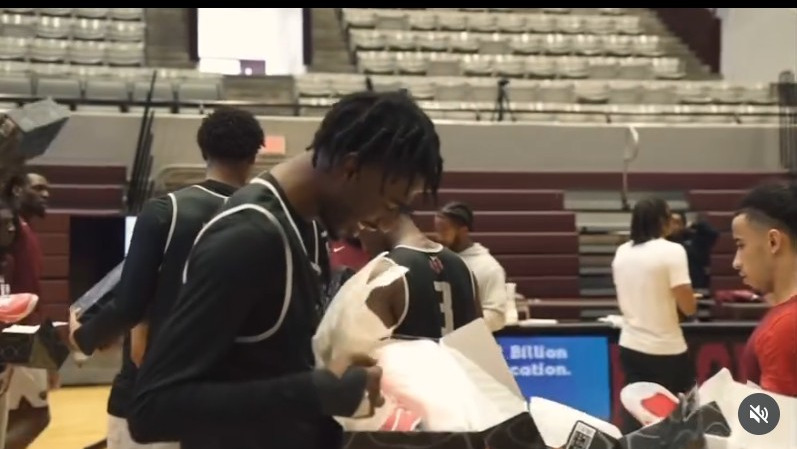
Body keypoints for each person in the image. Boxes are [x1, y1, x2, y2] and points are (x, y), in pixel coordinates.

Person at [126, 90, 444, 449]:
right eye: (390, 204)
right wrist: (315, 392)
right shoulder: (249, 236)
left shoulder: (304, 226)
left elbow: (266, 371)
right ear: (351, 168)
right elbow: (152, 409)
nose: (385, 222)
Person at [67, 107, 264, 449]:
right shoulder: (271, 219)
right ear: (255, 154)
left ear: (203, 150)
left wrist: (83, 336)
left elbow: (129, 305)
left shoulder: (166, 211)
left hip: (158, 391)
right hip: (237, 397)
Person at [611, 197, 697, 433]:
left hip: (631, 346)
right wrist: (687, 303)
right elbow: (688, 306)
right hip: (667, 349)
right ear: (661, 220)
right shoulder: (672, 251)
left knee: (637, 415)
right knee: (681, 418)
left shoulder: (621, 252)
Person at [2, 171, 56, 449]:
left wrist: (51, 356)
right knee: (36, 417)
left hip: (29, 334)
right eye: (38, 188)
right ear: (16, 191)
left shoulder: (27, 231)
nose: (46, 194)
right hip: (17, 336)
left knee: (20, 415)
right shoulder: (13, 229)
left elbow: (35, 294)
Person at [733, 180, 797, 396]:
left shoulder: (785, 327)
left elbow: (771, 424)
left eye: (741, 245)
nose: (736, 262)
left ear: (773, 242)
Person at [434, 201, 508, 331]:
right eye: (437, 230)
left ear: (463, 231)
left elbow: (497, 318)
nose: (438, 237)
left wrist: (458, 324)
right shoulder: (434, 259)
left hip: (467, 345)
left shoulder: (488, 267)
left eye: (444, 231)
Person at [667, 211, 719, 291]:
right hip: (671, 286)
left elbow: (712, 233)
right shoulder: (662, 242)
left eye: (677, 222)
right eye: (670, 223)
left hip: (696, 286)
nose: (674, 226)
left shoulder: (695, 239)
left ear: (683, 225)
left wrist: (694, 224)